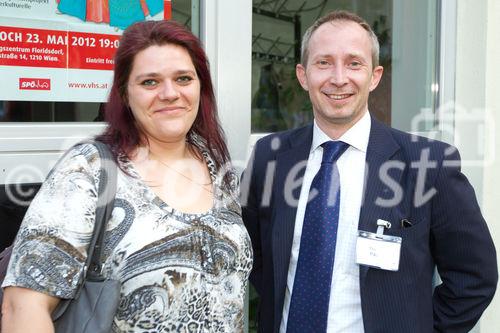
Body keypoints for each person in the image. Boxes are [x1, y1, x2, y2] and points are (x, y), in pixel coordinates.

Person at [241, 10, 497, 333]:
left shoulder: (428, 165)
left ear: (374, 76)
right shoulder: (270, 158)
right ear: (302, 75)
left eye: (354, 63)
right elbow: (254, 255)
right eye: (323, 63)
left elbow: (475, 276)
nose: (338, 78)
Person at [2, 20, 252, 332]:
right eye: (150, 82)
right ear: (124, 93)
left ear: (201, 88)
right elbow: (23, 306)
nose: (169, 93)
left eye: (183, 78)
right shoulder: (89, 170)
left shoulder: (217, 166)